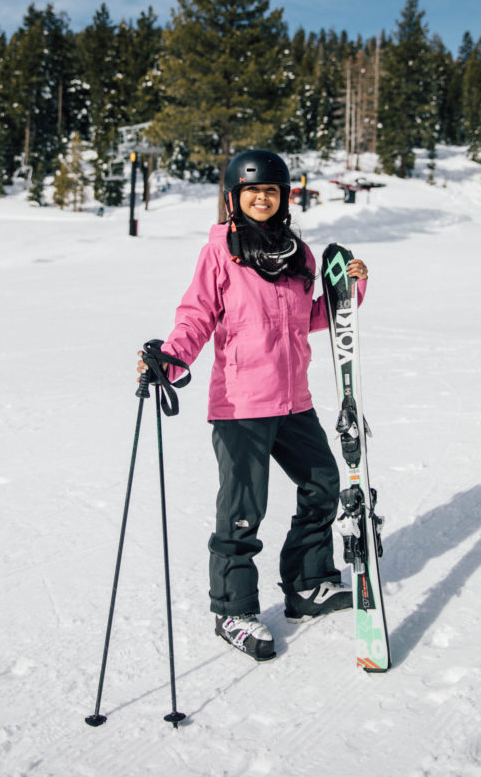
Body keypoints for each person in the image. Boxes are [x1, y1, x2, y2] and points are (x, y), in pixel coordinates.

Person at [137, 149, 369, 662]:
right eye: (251, 191)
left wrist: (348, 287)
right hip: (241, 405)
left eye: (271, 190)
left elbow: (309, 320)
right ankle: (234, 609)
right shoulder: (220, 253)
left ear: (284, 197)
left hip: (294, 401)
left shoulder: (299, 255)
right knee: (243, 510)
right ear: (233, 198)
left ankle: (309, 583)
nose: (261, 198)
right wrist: (170, 359)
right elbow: (197, 314)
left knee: (323, 484)